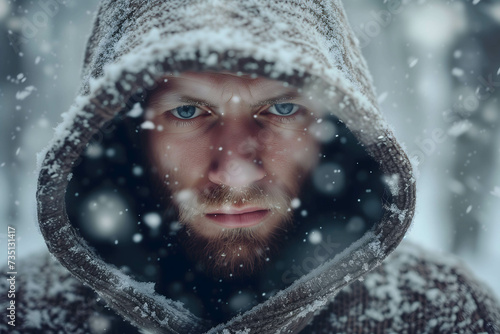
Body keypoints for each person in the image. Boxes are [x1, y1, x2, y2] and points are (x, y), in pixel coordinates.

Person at [1, 0, 499, 333]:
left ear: (340, 131)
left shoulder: (443, 313)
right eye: (188, 111)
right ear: (125, 136)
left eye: (282, 109)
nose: (236, 171)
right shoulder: (23, 311)